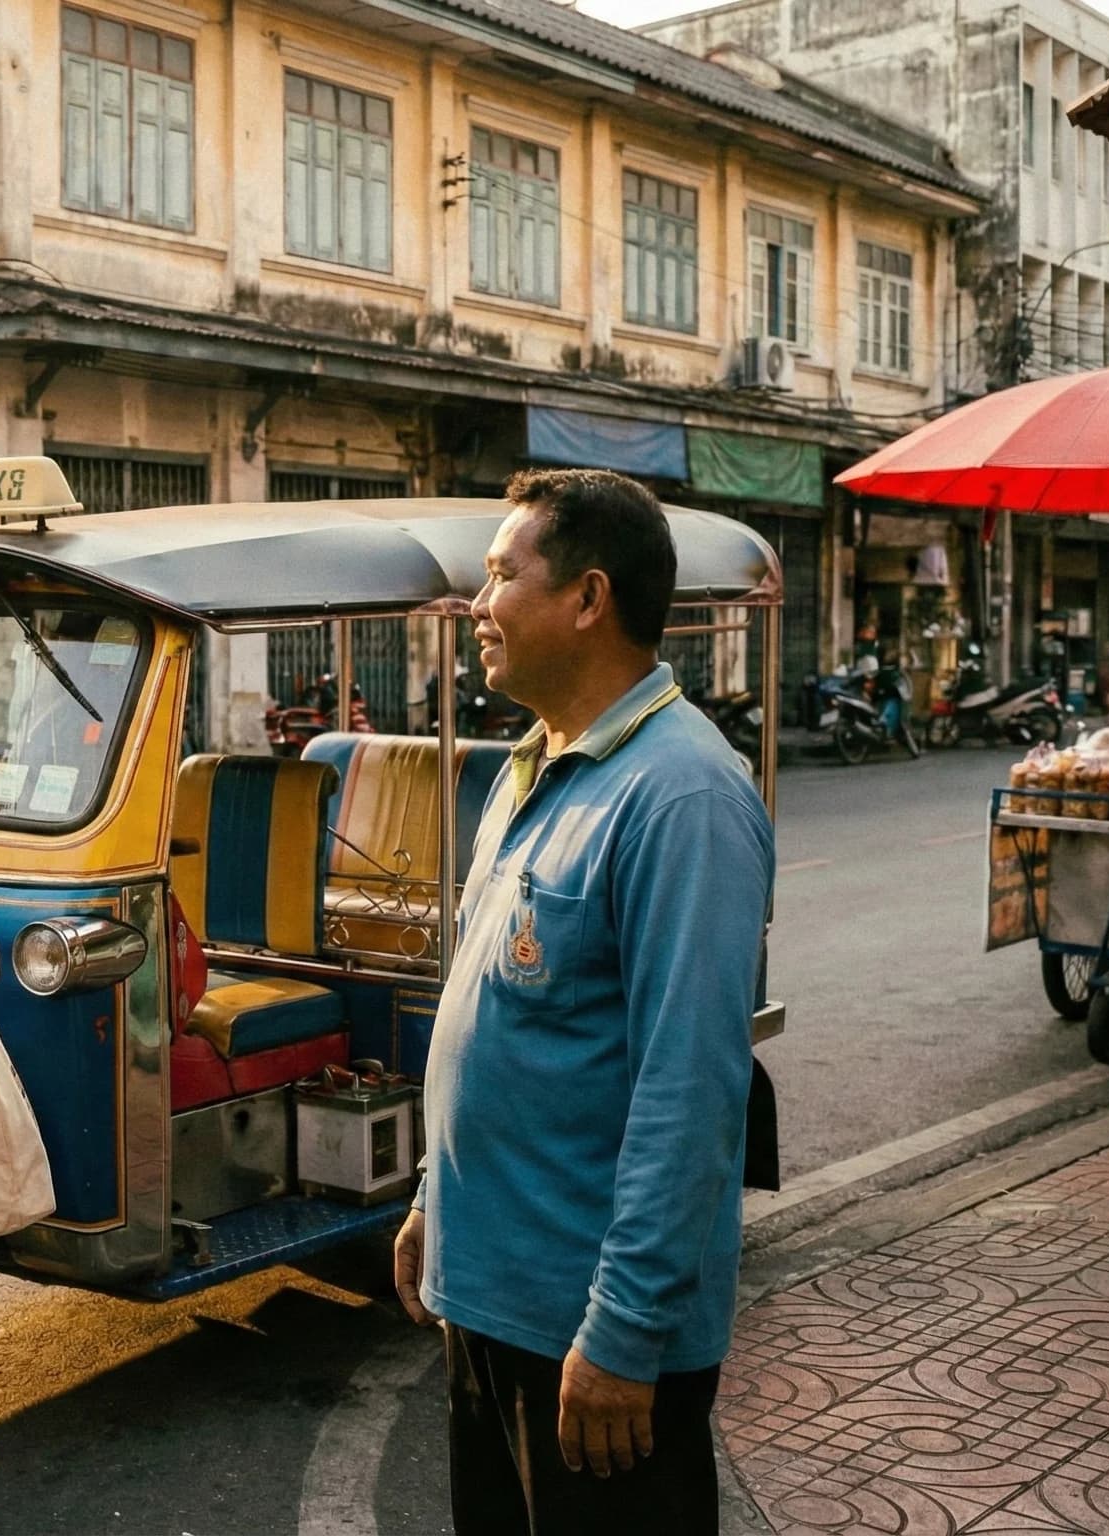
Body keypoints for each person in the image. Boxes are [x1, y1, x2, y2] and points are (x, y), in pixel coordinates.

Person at [394, 469, 774, 1534]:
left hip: (585, 1334)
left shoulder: (681, 796)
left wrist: (622, 1333)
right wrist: (434, 1201)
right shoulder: (532, 766)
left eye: (501, 575)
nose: (477, 606)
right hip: (491, 1303)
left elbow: (690, 1093)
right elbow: (494, 1013)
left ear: (587, 598)